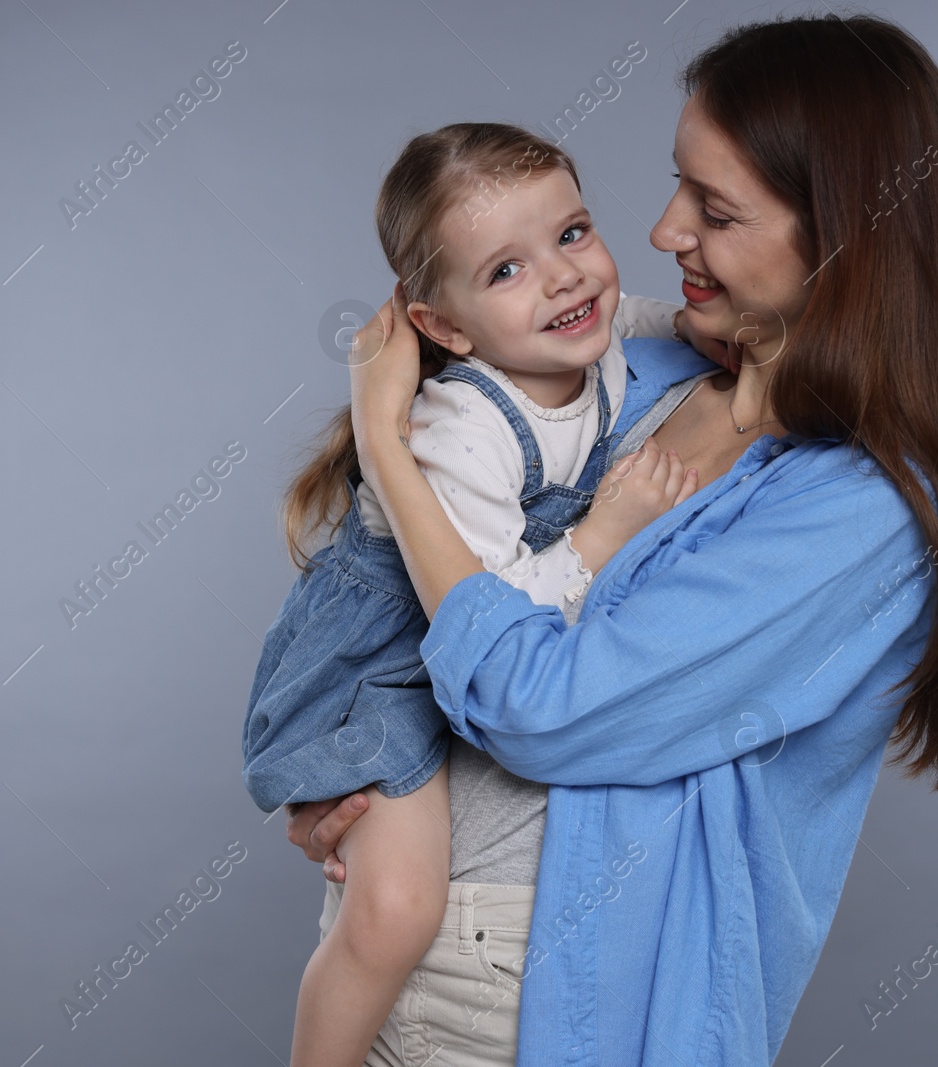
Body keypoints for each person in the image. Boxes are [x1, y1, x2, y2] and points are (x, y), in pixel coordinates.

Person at [289, 12, 938, 1066]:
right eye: (675, 184)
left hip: (533, 981)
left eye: (716, 209)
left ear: (842, 239)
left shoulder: (860, 514)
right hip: (401, 934)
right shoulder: (655, 363)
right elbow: (411, 574)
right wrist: (346, 754)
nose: (661, 229)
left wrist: (384, 440)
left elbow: (538, 708)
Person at [241, 122, 717, 1067]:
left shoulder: (599, 335)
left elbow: (669, 319)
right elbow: (490, 619)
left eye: (573, 233)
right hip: (384, 664)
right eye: (506, 269)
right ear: (445, 329)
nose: (563, 277)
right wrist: (600, 536)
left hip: (447, 648)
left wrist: (748, 328)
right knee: (397, 906)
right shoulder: (464, 429)